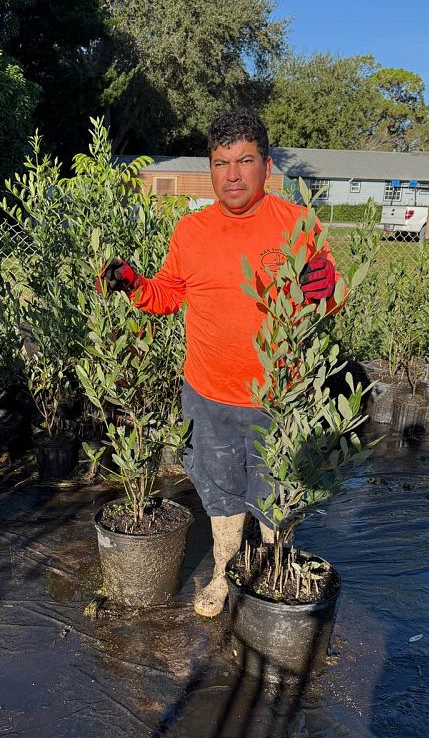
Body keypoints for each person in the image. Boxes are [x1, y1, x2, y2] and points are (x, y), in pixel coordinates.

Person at [97, 108, 338, 618]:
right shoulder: (192, 231)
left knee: (273, 492)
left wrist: (325, 289)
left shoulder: (298, 225)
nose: (232, 174)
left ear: (267, 167)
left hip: (278, 393)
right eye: (221, 162)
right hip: (206, 392)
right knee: (219, 488)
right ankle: (224, 572)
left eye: (244, 161)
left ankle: (269, 573)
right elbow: (168, 295)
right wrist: (134, 284)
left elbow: (330, 291)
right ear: (210, 167)